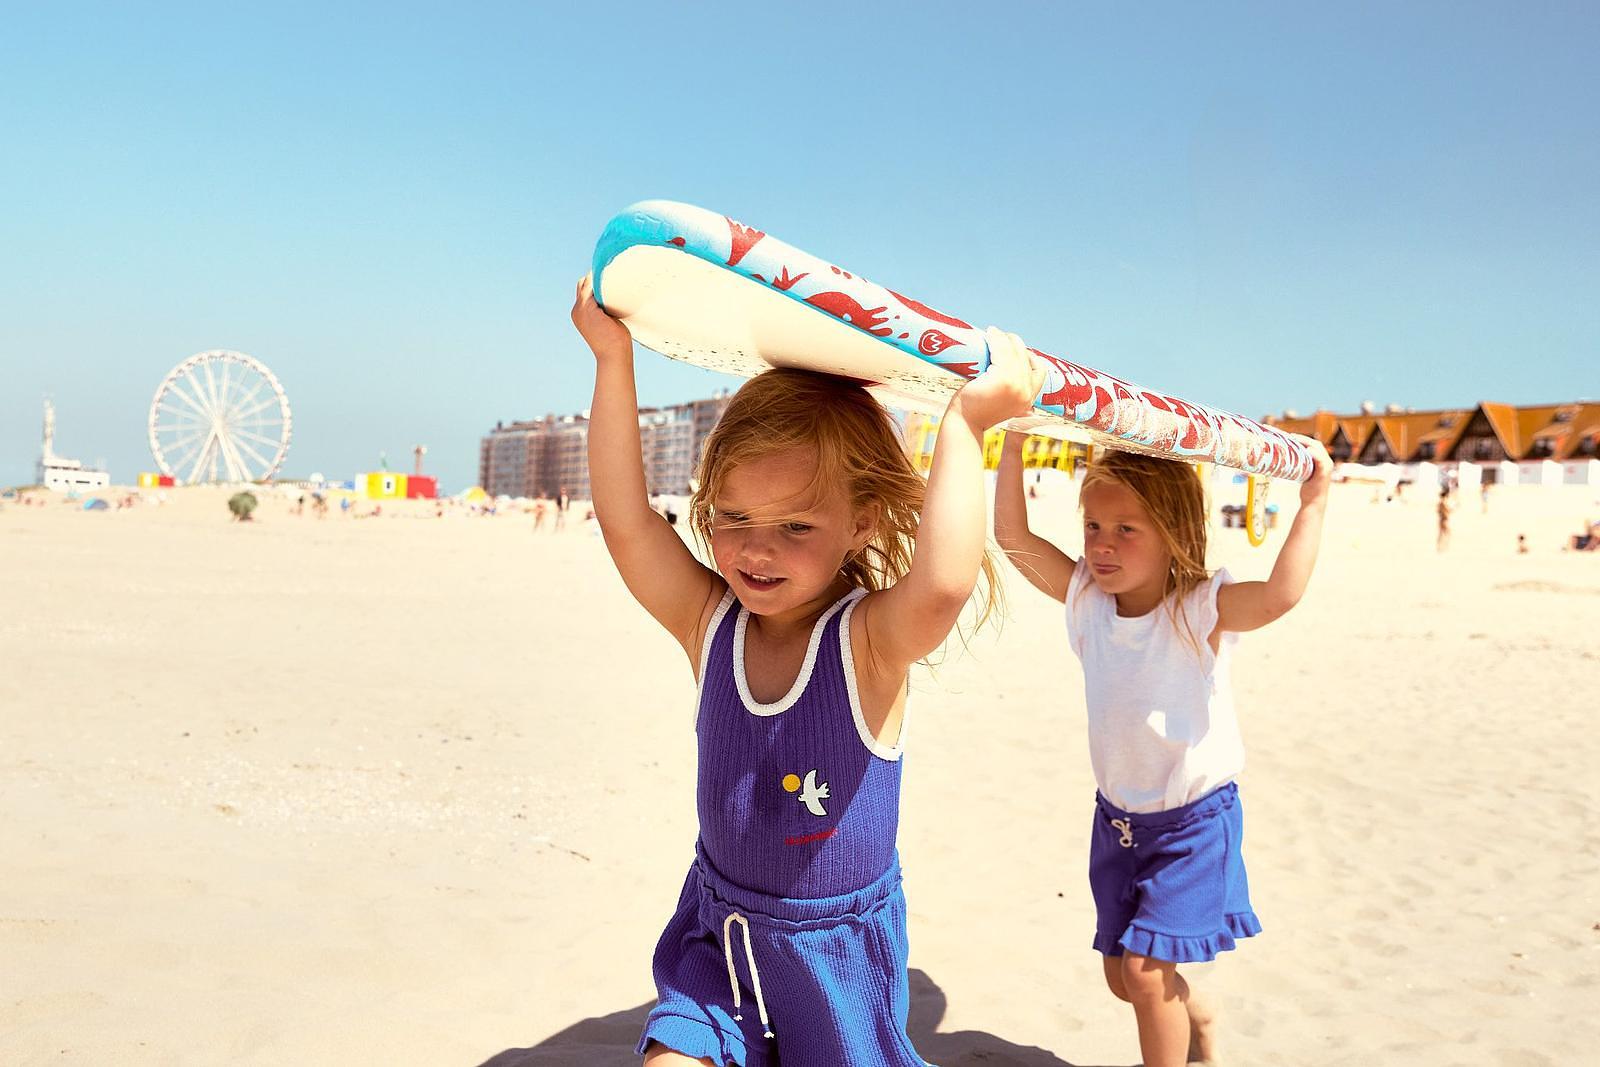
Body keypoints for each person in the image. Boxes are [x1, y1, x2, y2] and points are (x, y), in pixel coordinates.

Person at [572, 274, 1041, 1067]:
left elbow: (945, 583)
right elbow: (625, 523)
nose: (757, 550)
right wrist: (612, 358)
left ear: (861, 523)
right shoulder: (707, 621)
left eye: (795, 525)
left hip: (835, 954)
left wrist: (965, 426)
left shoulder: (866, 644)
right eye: (734, 518)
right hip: (718, 935)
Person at [993, 434, 1332, 1067]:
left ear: (1172, 530)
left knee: (1147, 977)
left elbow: (1280, 596)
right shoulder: (1087, 601)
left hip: (1193, 824)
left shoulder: (1197, 608)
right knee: (1124, 979)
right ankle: (1197, 1012)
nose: (1101, 544)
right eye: (1093, 525)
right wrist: (1011, 445)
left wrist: (1312, 503)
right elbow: (1014, 539)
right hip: (1119, 822)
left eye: (1126, 529)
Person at [1437, 487, 1452, 552]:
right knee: (1447, 533)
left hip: (1441, 520)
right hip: (1444, 520)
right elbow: (1447, 511)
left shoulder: (1440, 503)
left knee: (1441, 534)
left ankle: (1440, 546)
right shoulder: (1443, 503)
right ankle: (1444, 546)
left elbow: (1438, 511)